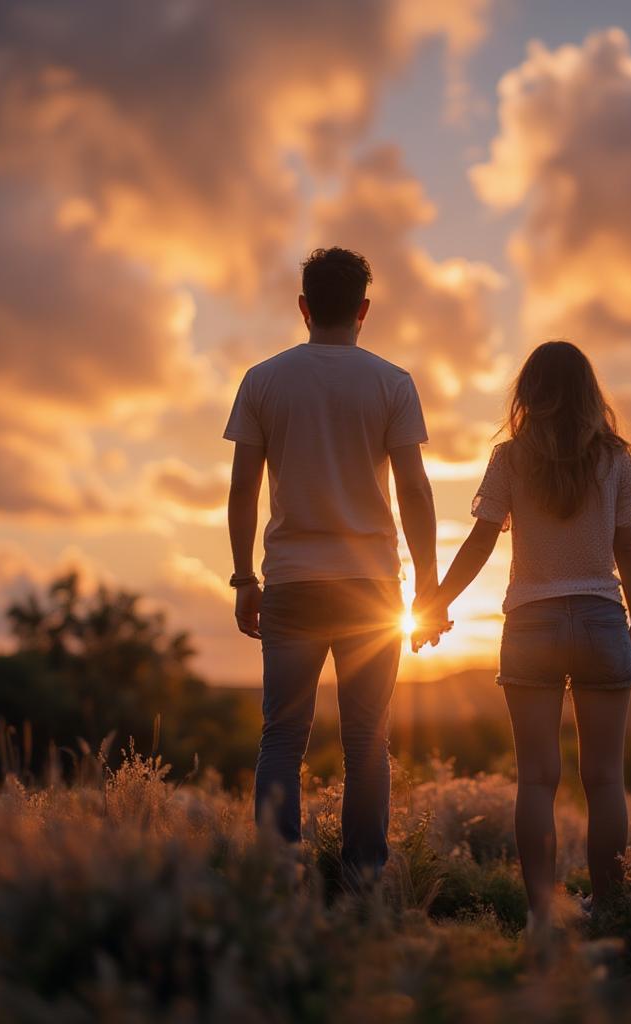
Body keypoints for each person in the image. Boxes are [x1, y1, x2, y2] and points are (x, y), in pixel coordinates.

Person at [223, 246, 444, 888]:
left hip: (290, 581)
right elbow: (416, 492)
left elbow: (242, 490)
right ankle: (365, 880)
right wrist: (427, 587)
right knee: (366, 741)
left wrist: (244, 578)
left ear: (303, 308)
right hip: (371, 588)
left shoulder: (263, 379)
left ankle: (279, 877)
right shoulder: (391, 382)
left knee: (282, 739)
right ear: (364, 310)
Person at [421, 340, 631, 929]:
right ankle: (611, 907)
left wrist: (435, 601)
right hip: (602, 620)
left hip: (531, 623)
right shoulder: (616, 459)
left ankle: (542, 915)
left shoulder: (511, 458)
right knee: (604, 779)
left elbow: (479, 541)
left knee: (536, 780)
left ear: (530, 392)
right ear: (588, 393)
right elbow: (626, 545)